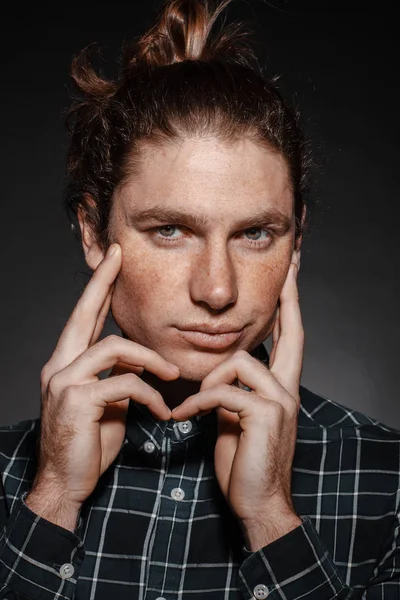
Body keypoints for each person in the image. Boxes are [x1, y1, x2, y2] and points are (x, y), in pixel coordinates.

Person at [1, 0, 399, 598]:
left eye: (256, 233)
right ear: (92, 231)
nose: (218, 290)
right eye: (170, 231)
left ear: (297, 244)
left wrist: (270, 516)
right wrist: (53, 495)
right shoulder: (11, 476)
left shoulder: (389, 484)